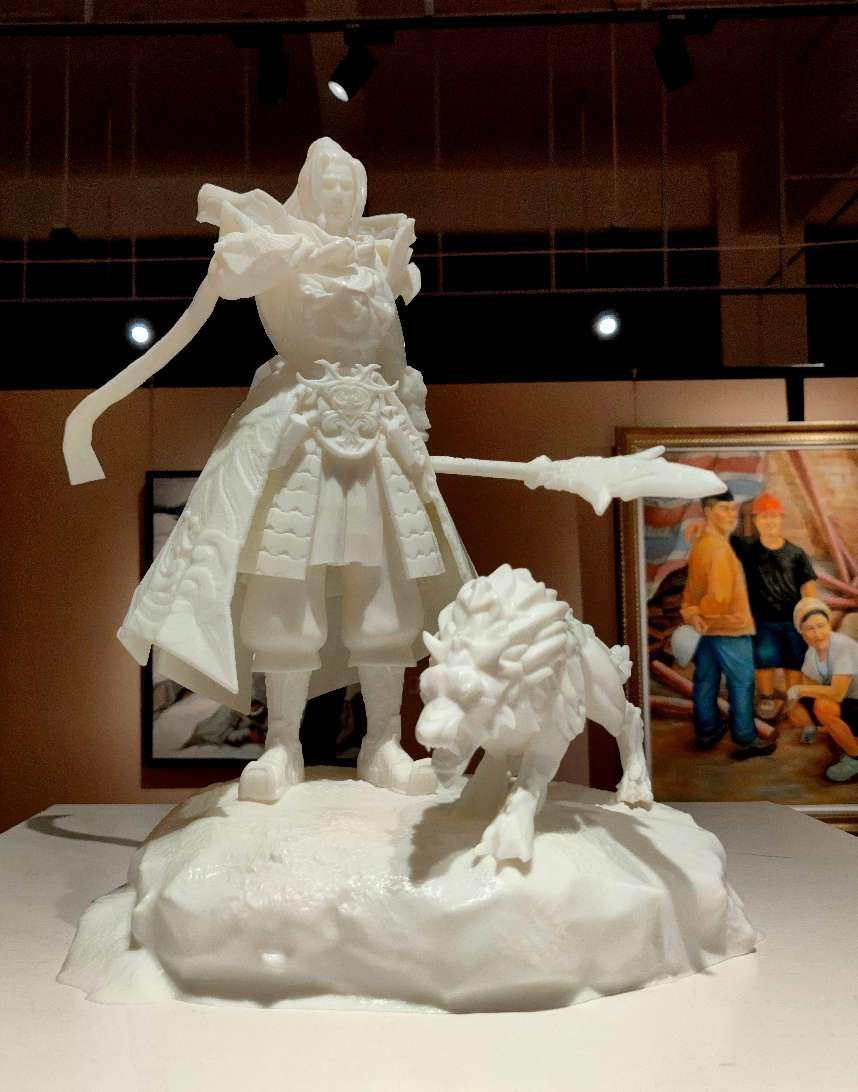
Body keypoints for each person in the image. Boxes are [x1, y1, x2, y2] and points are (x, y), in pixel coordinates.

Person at [681, 491, 774, 758]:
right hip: (730, 629)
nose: (732, 515)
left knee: (705, 680)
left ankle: (707, 731)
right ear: (708, 512)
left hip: (705, 629)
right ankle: (745, 739)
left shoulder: (702, 543)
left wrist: (692, 613)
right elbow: (720, 598)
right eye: (724, 509)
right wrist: (703, 612)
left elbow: (692, 589)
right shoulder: (719, 549)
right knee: (742, 683)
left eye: (733, 509)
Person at [731, 493, 816, 720]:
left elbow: (808, 589)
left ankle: (793, 699)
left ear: (781, 519)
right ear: (756, 521)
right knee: (764, 660)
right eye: (764, 517)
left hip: (793, 621)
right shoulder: (746, 550)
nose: (769, 521)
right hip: (762, 621)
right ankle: (767, 698)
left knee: (793, 661)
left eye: (774, 516)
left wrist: (810, 618)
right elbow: (720, 537)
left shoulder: (796, 554)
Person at [787, 597, 858, 782]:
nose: (818, 634)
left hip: (853, 699)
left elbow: (837, 693)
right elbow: (810, 687)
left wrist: (799, 689)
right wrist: (800, 704)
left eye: (821, 626)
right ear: (801, 632)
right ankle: (838, 732)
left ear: (829, 624)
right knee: (797, 708)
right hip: (849, 701)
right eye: (810, 628)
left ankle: (855, 758)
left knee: (823, 706)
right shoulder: (811, 654)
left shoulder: (842, 646)